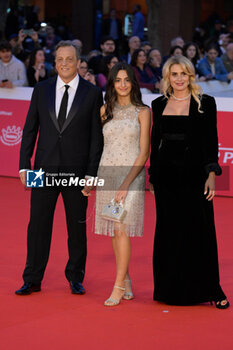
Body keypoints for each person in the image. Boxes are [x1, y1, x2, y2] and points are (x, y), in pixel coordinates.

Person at [15, 41, 103, 296]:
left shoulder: (92, 93)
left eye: (69, 59)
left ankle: (76, 276)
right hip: (43, 170)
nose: (64, 63)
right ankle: (32, 278)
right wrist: (24, 166)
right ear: (55, 63)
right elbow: (30, 130)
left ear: (78, 62)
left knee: (76, 228)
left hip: (77, 172)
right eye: (60, 59)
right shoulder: (41, 90)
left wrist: (91, 175)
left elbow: (97, 138)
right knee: (38, 226)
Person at [149, 55, 229, 309]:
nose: (179, 78)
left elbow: (211, 141)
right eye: (174, 74)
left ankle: (211, 290)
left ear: (191, 75)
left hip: (194, 176)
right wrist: (153, 176)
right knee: (169, 233)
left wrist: (211, 175)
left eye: (184, 73)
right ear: (167, 78)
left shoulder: (206, 102)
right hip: (166, 178)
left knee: (200, 231)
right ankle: (170, 290)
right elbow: (154, 142)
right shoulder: (159, 103)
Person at [94, 62, 151, 306]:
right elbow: (100, 147)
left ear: (133, 82)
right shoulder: (104, 110)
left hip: (131, 176)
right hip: (107, 173)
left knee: (121, 229)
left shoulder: (143, 111)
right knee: (114, 232)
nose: (123, 84)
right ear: (112, 83)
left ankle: (117, 286)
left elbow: (144, 151)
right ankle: (126, 278)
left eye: (127, 80)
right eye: (118, 80)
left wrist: (127, 183)